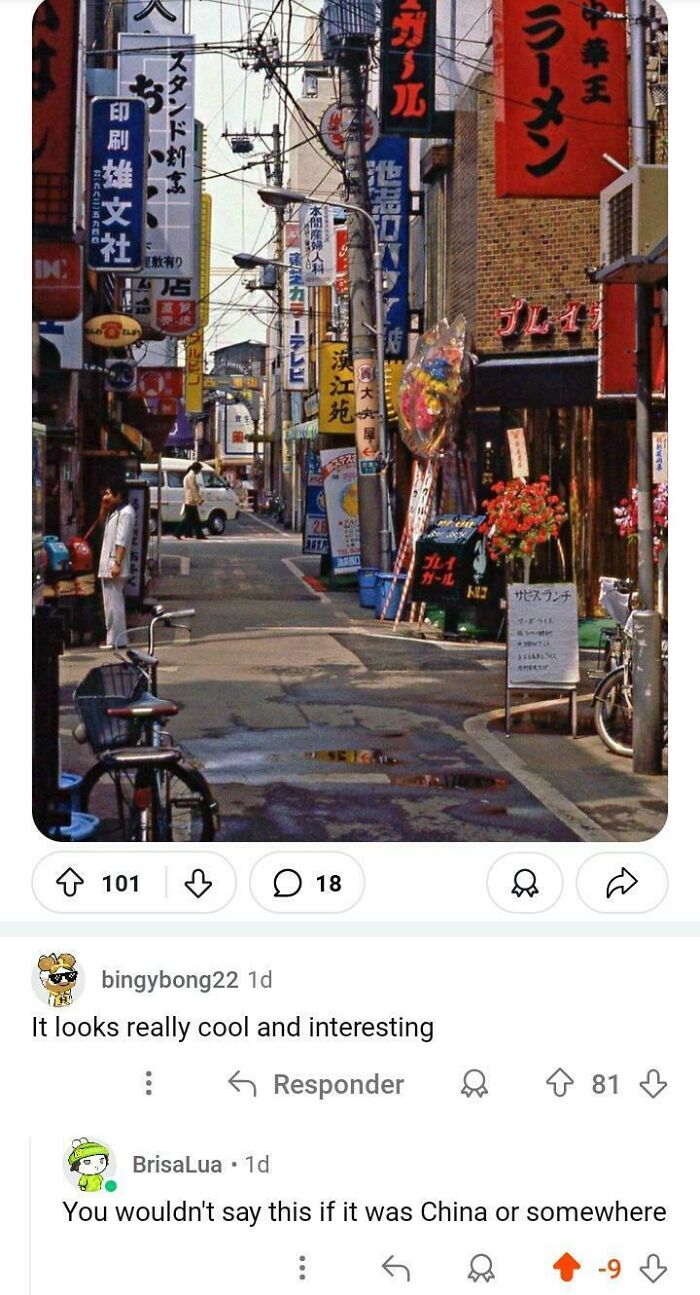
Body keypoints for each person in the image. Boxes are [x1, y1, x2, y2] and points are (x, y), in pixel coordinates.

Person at [98, 477, 135, 649]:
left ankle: (117, 639)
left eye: (109, 493)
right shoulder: (114, 511)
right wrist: (104, 508)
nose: (106, 496)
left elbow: (122, 540)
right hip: (109, 563)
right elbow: (100, 526)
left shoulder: (126, 512)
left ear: (119, 495)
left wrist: (117, 563)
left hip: (115, 564)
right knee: (110, 603)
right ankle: (113, 638)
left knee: (114, 604)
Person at [175, 460, 207, 539]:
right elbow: (193, 489)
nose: (199, 472)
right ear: (197, 469)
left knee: (194, 519)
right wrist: (198, 499)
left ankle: (195, 534)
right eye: (199, 470)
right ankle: (178, 532)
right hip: (191, 500)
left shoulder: (189, 475)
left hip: (189, 499)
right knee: (188, 519)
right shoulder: (191, 476)